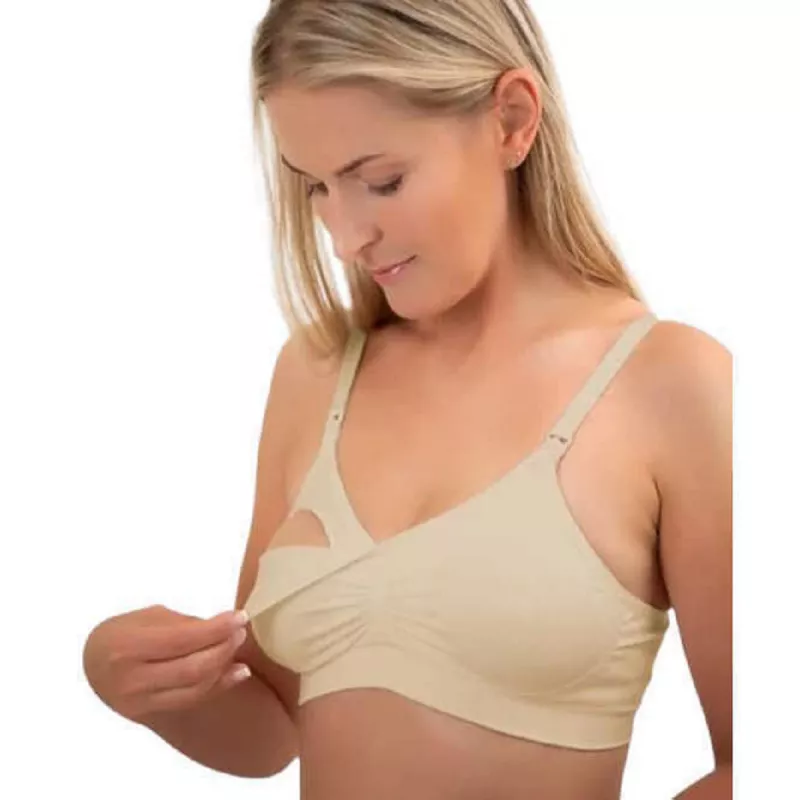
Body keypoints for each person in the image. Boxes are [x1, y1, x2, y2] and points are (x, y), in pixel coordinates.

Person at [82, 1, 732, 797]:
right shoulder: (317, 374)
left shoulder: (670, 385)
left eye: (380, 182)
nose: (345, 237)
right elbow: (271, 728)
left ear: (512, 120)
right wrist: (147, 690)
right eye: (315, 188)